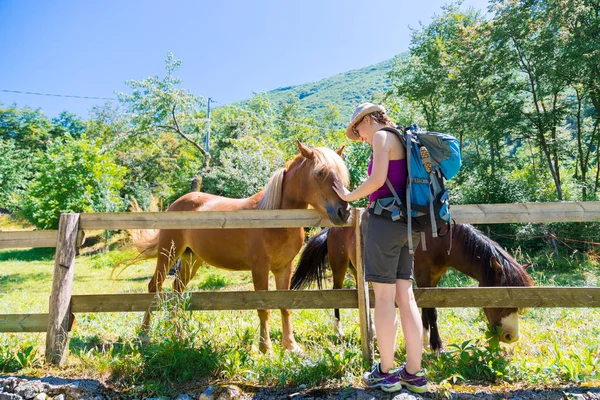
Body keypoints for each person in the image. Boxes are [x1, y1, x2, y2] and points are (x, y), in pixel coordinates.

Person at [332, 103, 427, 394]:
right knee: (405, 296)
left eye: (357, 128)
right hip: (409, 225)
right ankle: (414, 372)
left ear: (368, 119)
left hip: (385, 224)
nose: (359, 135)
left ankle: (385, 372)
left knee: (384, 298)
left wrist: (348, 195)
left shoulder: (382, 138)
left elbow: (375, 181)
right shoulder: (403, 138)